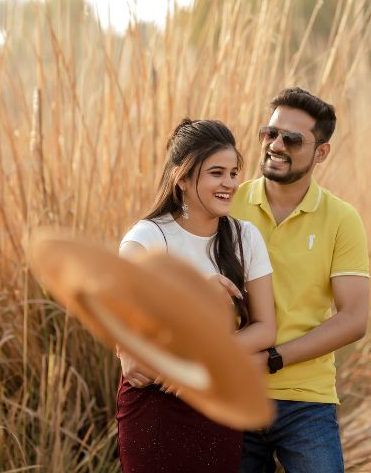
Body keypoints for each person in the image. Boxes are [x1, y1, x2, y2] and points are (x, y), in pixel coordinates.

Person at [116, 119, 277, 473]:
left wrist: (204, 357)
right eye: (216, 173)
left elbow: (266, 329)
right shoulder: (147, 238)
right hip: (155, 402)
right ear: (183, 178)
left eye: (234, 173)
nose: (230, 184)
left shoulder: (245, 238)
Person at [231, 87, 370, 473]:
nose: (276, 145)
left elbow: (354, 318)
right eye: (269, 133)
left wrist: (273, 360)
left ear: (321, 152)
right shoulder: (229, 204)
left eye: (291, 139)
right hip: (234, 393)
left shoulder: (342, 219)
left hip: (306, 399)